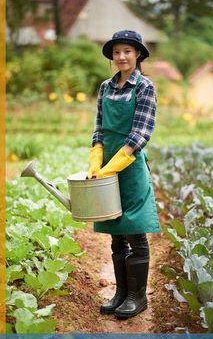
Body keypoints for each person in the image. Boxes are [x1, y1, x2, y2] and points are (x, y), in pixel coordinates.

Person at [87, 30, 161, 319]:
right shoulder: (106, 87)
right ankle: (120, 292)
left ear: (138, 54)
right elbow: (99, 127)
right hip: (106, 163)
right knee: (115, 232)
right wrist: (96, 161)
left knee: (134, 229)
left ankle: (137, 296)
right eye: (117, 52)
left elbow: (141, 133)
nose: (121, 57)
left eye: (127, 51)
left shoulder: (144, 87)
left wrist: (112, 166)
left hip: (129, 166)